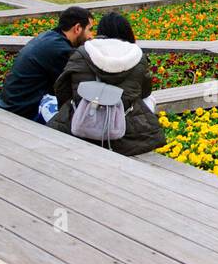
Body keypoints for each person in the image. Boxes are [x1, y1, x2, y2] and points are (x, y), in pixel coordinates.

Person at [47, 12, 166, 156]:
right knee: (148, 99)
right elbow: (145, 92)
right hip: (123, 129)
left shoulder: (82, 53)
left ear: (101, 32)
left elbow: (62, 88)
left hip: (82, 123)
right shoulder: (137, 57)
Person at [0, 6, 93, 121]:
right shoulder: (60, 50)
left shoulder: (49, 37)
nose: (91, 36)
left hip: (9, 104)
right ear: (77, 28)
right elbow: (72, 89)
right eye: (89, 29)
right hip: (23, 112)